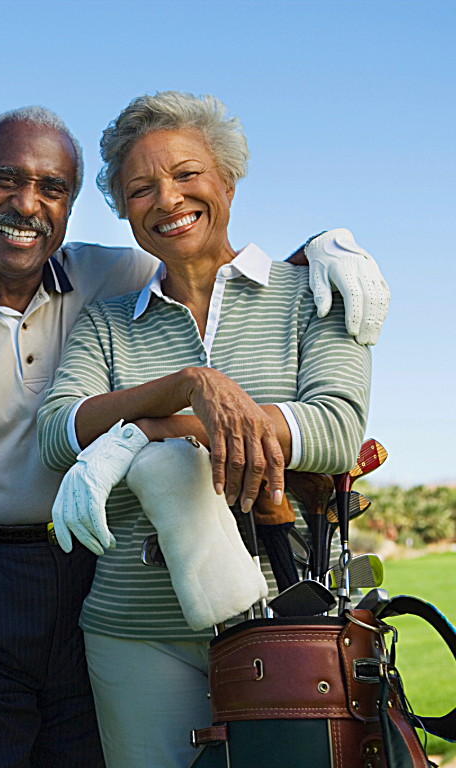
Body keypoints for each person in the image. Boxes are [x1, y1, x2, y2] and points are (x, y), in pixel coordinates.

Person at [0, 105, 386, 768]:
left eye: (51, 188)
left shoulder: (116, 275)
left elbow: (217, 260)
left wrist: (330, 242)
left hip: (84, 565)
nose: (27, 203)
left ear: (70, 204)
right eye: (7, 180)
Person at [37, 91, 373, 768]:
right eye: (140, 188)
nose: (167, 199)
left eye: (187, 175)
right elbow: (56, 433)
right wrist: (191, 386)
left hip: (288, 622)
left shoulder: (315, 293)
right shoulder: (106, 324)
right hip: (133, 632)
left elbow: (335, 427)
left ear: (226, 179)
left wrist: (139, 431)